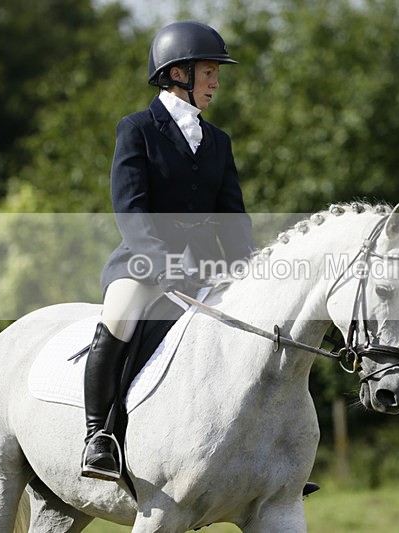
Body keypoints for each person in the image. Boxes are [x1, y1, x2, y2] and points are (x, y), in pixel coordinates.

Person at [81, 21, 255, 481]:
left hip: (206, 266)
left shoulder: (218, 141)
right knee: (118, 316)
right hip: (143, 261)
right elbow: (131, 210)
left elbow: (232, 218)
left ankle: (253, 449)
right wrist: (164, 264)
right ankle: (98, 436)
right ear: (178, 72)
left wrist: (249, 270)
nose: (216, 82)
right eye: (209, 72)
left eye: (216, 73)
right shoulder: (137, 129)